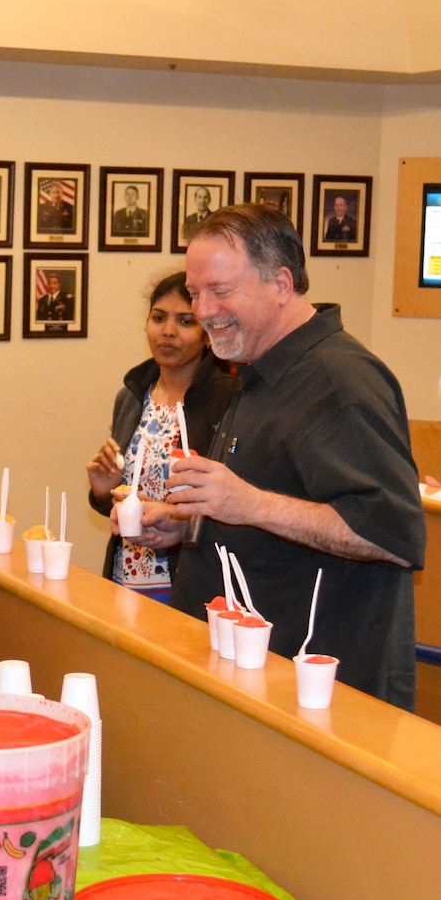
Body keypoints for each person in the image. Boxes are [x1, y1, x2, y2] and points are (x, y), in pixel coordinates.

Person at [133, 203, 425, 709]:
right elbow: (279, 504)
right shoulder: (254, 367)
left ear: (282, 284)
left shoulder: (340, 382)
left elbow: (393, 535)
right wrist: (193, 526)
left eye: (221, 291)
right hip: (248, 674)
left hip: (312, 693)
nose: (202, 311)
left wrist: (247, 505)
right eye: (198, 292)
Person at [86, 271, 235, 600]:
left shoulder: (229, 400)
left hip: (190, 580)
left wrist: (179, 518)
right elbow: (124, 496)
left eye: (185, 321)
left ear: (208, 334)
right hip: (126, 572)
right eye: (158, 318)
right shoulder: (132, 396)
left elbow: (234, 502)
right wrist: (103, 491)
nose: (168, 332)